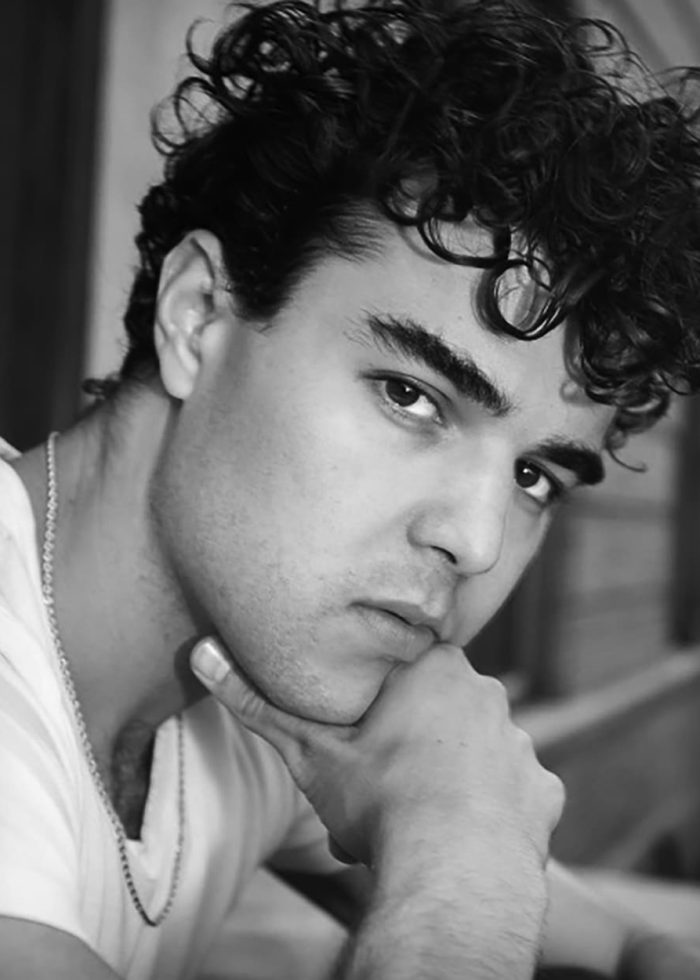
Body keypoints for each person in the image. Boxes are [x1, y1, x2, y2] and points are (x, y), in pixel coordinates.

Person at [1, 0, 700, 977]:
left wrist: (463, 854)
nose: (479, 539)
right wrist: (461, 854)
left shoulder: (256, 681)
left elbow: (635, 947)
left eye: (535, 472)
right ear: (198, 315)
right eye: (412, 395)